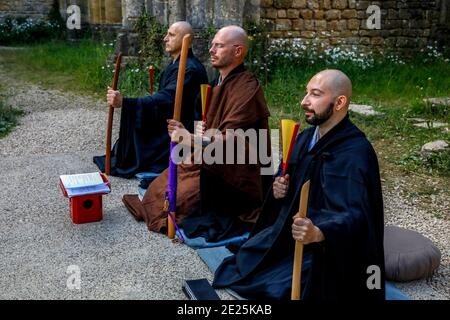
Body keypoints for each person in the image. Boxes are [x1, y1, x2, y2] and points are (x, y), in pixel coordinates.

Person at [212, 69, 386, 300]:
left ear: (340, 102)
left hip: (329, 249)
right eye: (306, 93)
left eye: (315, 94)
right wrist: (278, 189)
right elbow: (284, 178)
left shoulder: (355, 152)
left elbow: (358, 215)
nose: (304, 101)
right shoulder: (305, 138)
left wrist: (319, 232)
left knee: (284, 288)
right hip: (291, 234)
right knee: (249, 257)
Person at [122, 26, 272, 239]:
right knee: (160, 188)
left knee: (179, 201)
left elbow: (233, 139)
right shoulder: (215, 84)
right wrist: (191, 132)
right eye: (212, 45)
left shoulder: (248, 88)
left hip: (235, 170)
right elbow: (209, 128)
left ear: (238, 51)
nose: (211, 50)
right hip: (210, 156)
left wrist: (190, 138)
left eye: (219, 46)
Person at [93, 21, 208, 178]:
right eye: (167, 34)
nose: (165, 39)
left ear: (185, 40)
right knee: (134, 132)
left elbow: (168, 98)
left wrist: (126, 102)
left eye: (172, 35)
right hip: (170, 120)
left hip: (181, 128)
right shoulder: (177, 64)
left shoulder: (190, 69)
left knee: (138, 136)